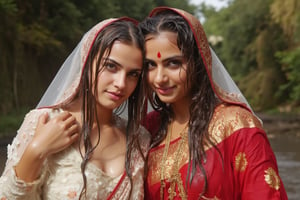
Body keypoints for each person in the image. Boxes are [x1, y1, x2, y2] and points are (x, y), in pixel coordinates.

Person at [139, 7, 288, 199]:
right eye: (150, 65)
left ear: (198, 62)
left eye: (173, 63)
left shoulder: (237, 125)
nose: (159, 78)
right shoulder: (148, 129)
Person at [0, 17, 150, 199]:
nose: (121, 83)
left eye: (133, 74)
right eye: (111, 66)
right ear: (87, 61)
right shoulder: (46, 121)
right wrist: (36, 150)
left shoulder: (139, 139)